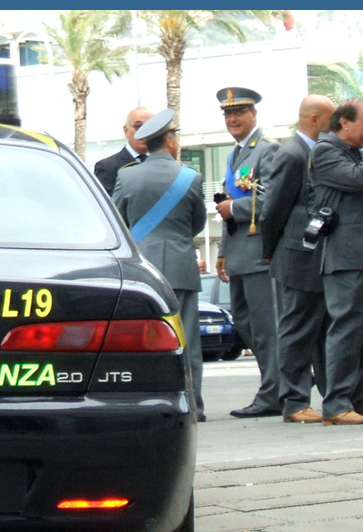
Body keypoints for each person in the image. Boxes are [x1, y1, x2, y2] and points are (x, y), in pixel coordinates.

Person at [112, 108, 207, 421]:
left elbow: (118, 221)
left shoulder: (126, 175)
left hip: (142, 272)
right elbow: (197, 224)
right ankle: (193, 406)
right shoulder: (191, 177)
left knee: (141, 341)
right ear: (169, 140)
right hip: (180, 266)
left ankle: (145, 404)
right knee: (188, 342)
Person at [310, 99, 363, 426]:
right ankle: (336, 403)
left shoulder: (358, 152)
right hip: (344, 254)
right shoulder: (325, 151)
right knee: (346, 329)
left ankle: (357, 398)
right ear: (344, 123)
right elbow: (359, 180)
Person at [260, 94, 335, 424]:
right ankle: (293, 400)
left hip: (315, 254)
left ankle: (336, 399)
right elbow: (272, 209)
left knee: (321, 330)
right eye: (331, 119)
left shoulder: (316, 152)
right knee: (296, 328)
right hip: (295, 255)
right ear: (315, 119)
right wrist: (270, 250)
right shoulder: (291, 153)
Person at [213, 87, 281, 418]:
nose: (233, 119)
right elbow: (228, 203)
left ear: (254, 114)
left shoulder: (267, 150)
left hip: (258, 253)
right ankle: (286, 377)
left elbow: (270, 200)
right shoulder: (234, 155)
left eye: (239, 113)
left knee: (266, 328)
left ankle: (275, 391)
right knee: (244, 321)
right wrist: (223, 251)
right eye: (227, 114)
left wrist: (234, 208)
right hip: (239, 253)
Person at [93, 107, 153, 196]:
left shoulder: (157, 164)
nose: (144, 132)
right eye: (138, 126)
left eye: (149, 127)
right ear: (126, 130)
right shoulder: (107, 167)